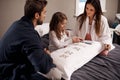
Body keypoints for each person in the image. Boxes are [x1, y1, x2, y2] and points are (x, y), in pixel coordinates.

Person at [0, 0, 63, 80]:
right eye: (44, 13)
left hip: (6, 65)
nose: (45, 16)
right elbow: (43, 66)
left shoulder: (17, 24)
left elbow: (28, 48)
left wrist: (40, 53)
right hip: (7, 73)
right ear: (37, 15)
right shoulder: (29, 34)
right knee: (57, 75)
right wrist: (47, 55)